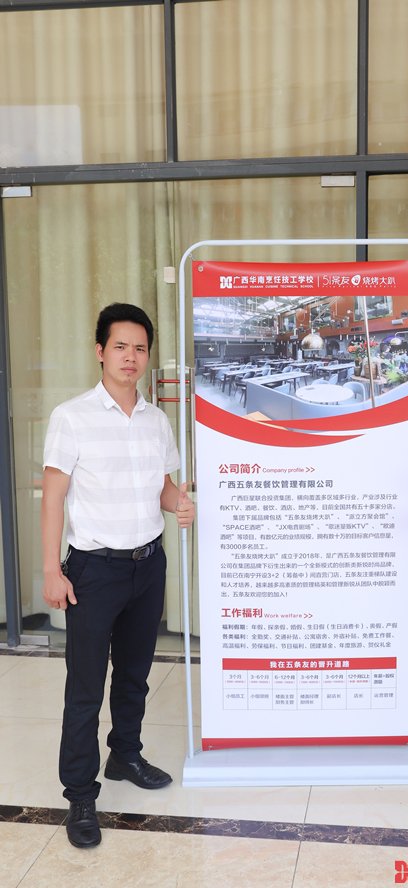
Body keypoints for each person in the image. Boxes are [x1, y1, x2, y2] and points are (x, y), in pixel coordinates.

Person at [41, 303, 195, 849]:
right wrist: (52, 569)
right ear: (100, 351)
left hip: (147, 565)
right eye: (121, 347)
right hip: (93, 570)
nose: (131, 357)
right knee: (85, 687)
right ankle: (80, 793)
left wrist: (181, 503)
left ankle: (125, 755)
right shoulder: (72, 416)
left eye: (140, 348)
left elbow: (164, 489)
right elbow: (53, 498)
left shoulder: (156, 420)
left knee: (134, 675)